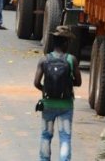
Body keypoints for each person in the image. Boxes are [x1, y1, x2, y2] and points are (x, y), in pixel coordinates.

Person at [33, 26, 82, 161]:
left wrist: (46, 90)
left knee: (45, 135)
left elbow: (36, 83)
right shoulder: (71, 60)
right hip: (65, 105)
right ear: (66, 42)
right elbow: (78, 82)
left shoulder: (44, 59)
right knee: (65, 137)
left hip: (47, 104)